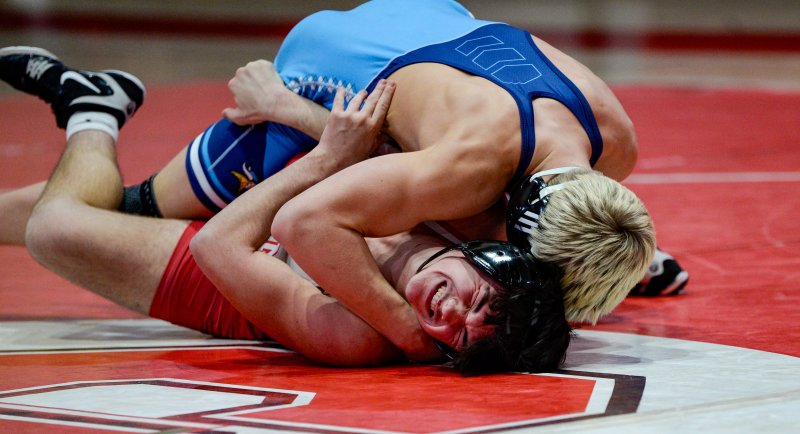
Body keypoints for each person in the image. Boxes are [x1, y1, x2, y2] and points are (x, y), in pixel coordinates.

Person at [0, 0, 672, 361]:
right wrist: (291, 113)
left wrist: (623, 254)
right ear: (502, 249)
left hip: (422, 17)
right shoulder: (468, 188)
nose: (455, 317)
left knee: (77, 222)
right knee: (137, 205)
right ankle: (95, 109)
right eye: (486, 298)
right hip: (329, 79)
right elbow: (320, 200)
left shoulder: (614, 144)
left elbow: (573, 216)